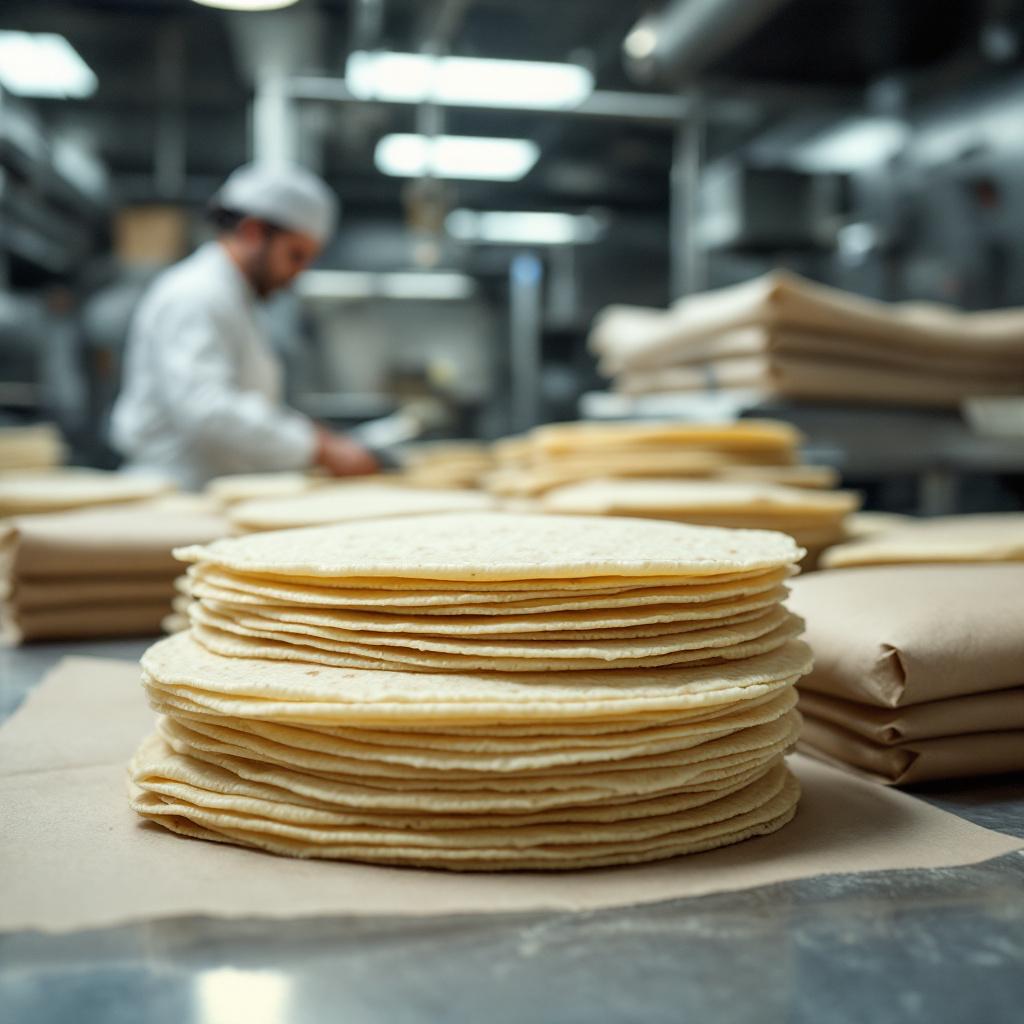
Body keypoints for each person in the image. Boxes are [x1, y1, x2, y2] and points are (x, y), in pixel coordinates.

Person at [110, 163, 378, 490]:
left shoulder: (234, 300)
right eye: (295, 255)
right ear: (253, 232)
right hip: (177, 493)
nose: (298, 274)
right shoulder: (196, 294)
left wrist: (313, 437)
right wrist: (317, 447)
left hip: (210, 491)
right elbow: (206, 409)